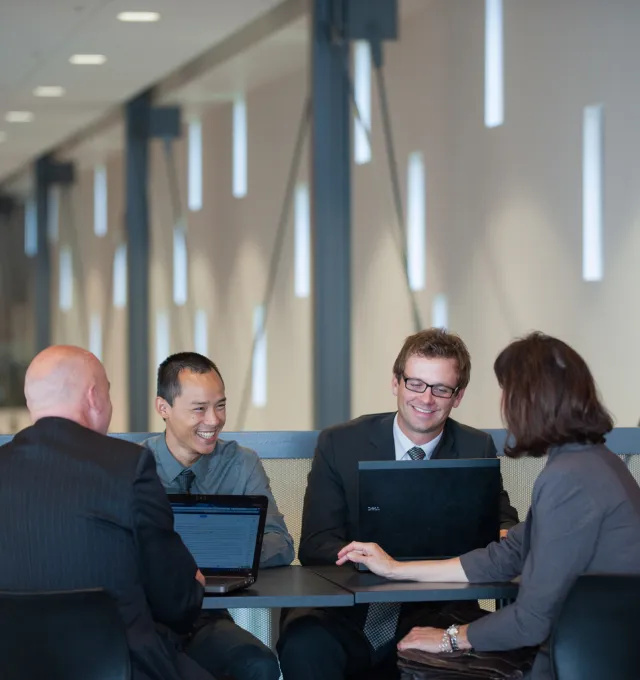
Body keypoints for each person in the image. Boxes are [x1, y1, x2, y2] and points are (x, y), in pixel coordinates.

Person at [337, 332, 640, 680]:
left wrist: (451, 639)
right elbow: (507, 555)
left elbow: (530, 620)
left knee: (421, 653)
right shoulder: (593, 463)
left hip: (581, 660)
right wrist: (396, 568)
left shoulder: (569, 479)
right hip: (591, 647)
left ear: (529, 401)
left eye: (508, 393)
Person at [278, 328, 519, 680]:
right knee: (305, 642)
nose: (426, 399)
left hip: (438, 606)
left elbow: (503, 525)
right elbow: (316, 544)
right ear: (396, 382)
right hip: (349, 605)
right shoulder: (340, 443)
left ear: (458, 396)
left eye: (441, 389)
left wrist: (505, 537)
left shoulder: (475, 447)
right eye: (416, 384)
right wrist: (378, 562)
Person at [0, 346, 213, 680]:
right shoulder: (128, 466)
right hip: (124, 668)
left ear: (32, 404)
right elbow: (176, 603)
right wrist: (192, 586)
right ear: (94, 397)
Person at [143, 352, 293, 680]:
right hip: (144, 619)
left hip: (204, 618)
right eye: (199, 408)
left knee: (259, 664)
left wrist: (214, 557)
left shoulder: (240, 463)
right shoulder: (134, 466)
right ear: (163, 408)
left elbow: (281, 543)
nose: (213, 420)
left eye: (220, 405)